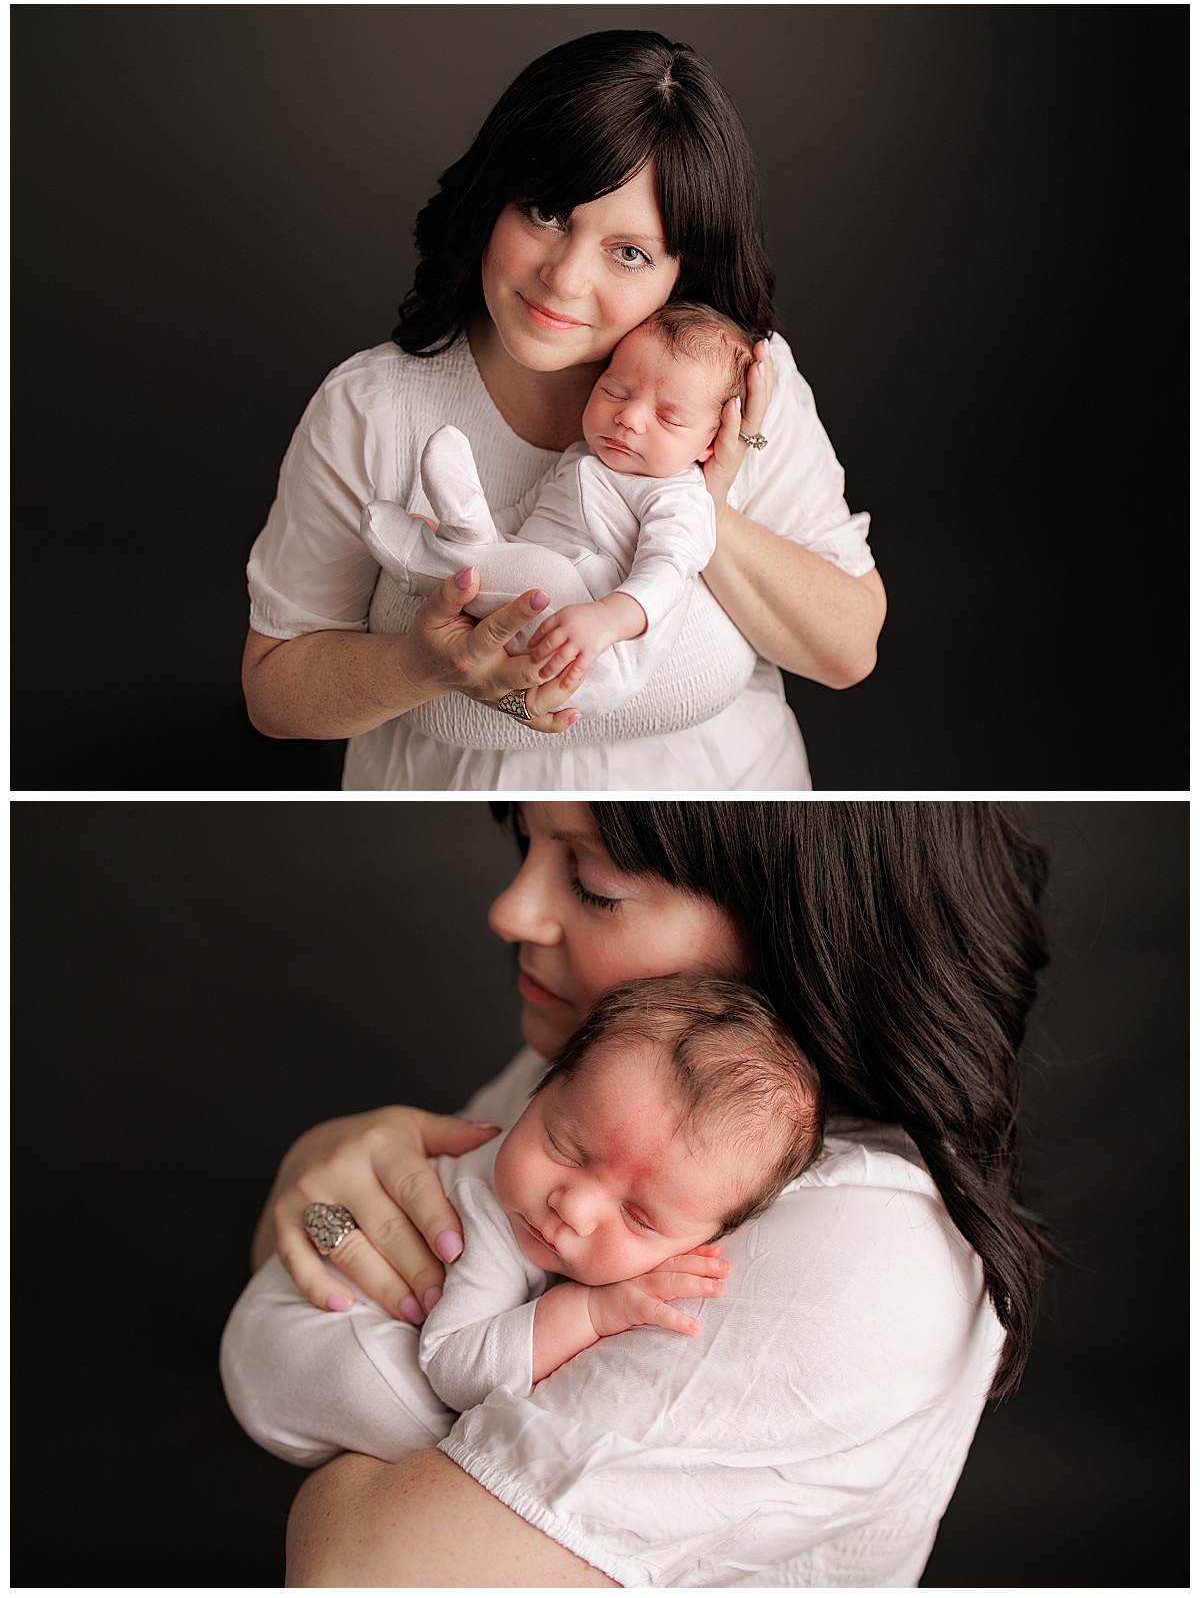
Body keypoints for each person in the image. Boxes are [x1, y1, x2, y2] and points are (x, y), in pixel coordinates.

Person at [223, 801, 1055, 1586]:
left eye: (596, 883)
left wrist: (349, 1412)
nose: (511, 911)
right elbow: (301, 1270)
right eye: (528, 844)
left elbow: (357, 1569)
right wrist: (322, 1174)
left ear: (804, 930)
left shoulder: (864, 1247)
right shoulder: (626, 1074)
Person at [242, 31, 886, 790]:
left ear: (685, 272)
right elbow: (272, 692)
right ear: (492, 196)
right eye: (546, 211)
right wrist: (419, 666)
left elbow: (848, 652)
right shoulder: (371, 408)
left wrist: (704, 502)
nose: (565, 278)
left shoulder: (732, 385)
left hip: (729, 813)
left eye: (631, 253)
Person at [222, 974, 823, 1437]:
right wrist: (589, 1313)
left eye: (640, 1217)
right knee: (417, 1413)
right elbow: (456, 1371)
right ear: (541, 1090)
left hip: (289, 1340)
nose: (574, 1207)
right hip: (294, 1346)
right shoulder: (486, 1215)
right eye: (562, 1145)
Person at [360, 304, 757, 719]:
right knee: (516, 547)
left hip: (596, 655)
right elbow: (524, 513)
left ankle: (431, 557)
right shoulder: (580, 456)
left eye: (668, 417)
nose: (629, 417)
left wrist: (607, 618)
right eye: (615, 391)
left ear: (711, 443)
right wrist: (496, 532)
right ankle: (465, 535)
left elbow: (668, 571)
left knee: (541, 574)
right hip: (546, 608)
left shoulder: (679, 496)